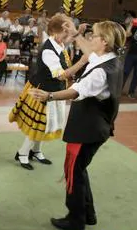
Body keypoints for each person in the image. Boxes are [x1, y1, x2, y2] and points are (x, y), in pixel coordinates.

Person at [28, 21, 126, 230]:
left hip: (87, 130)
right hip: (96, 126)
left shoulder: (101, 72)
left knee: (73, 171)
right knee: (80, 169)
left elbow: (77, 90)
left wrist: (49, 96)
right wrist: (75, 34)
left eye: (94, 35)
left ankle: (75, 219)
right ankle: (88, 214)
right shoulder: (109, 60)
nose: (90, 38)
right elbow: (88, 51)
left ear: (105, 42)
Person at [9, 14, 88, 170]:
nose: (69, 37)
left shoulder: (59, 43)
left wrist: (77, 32)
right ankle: (22, 153)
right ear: (57, 32)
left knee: (47, 124)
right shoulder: (49, 50)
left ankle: (36, 151)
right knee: (37, 125)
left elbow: (68, 41)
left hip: (54, 92)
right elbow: (61, 75)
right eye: (67, 33)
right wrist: (82, 61)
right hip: (41, 92)